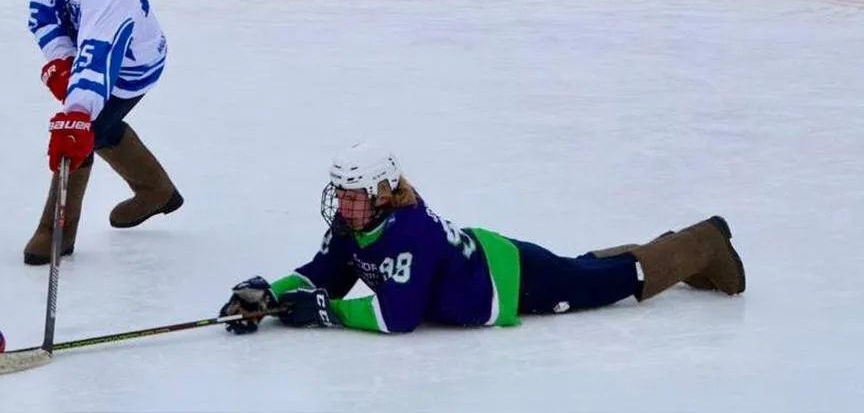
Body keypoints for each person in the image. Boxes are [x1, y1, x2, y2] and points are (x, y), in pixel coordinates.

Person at [219, 142, 745, 334]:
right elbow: (325, 275)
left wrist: (326, 314)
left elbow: (395, 317)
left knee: (616, 280)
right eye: (340, 192)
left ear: (382, 190)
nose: (343, 203)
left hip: (513, 281)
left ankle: (704, 242)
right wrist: (271, 294)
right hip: (493, 260)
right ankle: (672, 245)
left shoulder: (409, 232)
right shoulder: (355, 225)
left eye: (354, 193)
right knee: (584, 267)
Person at [23, 0, 183, 265]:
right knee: (99, 127)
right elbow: (43, 16)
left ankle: (56, 231)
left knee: (82, 132)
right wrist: (61, 62)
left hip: (131, 66)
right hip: (89, 57)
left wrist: (77, 110)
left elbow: (99, 58)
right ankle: (155, 189)